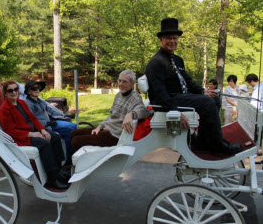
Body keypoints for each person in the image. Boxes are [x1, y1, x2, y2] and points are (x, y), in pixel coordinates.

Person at [145, 18, 242, 155]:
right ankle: (217, 146)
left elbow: (188, 82)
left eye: (175, 38)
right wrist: (174, 110)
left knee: (213, 99)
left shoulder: (178, 60)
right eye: (168, 38)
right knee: (207, 103)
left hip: (180, 97)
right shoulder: (156, 62)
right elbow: (159, 92)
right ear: (161, 39)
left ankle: (204, 140)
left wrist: (204, 91)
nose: (172, 41)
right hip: (167, 100)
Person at [0, 80, 70, 189]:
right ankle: (52, 178)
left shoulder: (21, 103)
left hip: (33, 131)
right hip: (21, 138)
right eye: (10, 90)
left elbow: (33, 118)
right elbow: (11, 131)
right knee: (44, 143)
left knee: (54, 137)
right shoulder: (4, 110)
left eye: (16, 89)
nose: (14, 92)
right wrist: (33, 134)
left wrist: (43, 130)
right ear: (5, 93)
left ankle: (59, 169)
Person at [70, 69, 150, 152]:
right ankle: (68, 163)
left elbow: (143, 111)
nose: (120, 84)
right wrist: (99, 127)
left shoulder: (135, 97)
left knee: (76, 141)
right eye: (119, 81)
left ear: (132, 84)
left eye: (124, 82)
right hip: (105, 129)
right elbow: (111, 116)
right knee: (73, 133)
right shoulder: (119, 95)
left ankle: (77, 164)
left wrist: (130, 114)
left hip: (113, 136)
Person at [24, 80, 77, 165]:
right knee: (71, 128)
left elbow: (51, 111)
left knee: (72, 128)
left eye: (38, 88)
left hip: (51, 122)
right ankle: (69, 160)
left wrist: (64, 116)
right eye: (34, 88)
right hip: (45, 127)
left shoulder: (40, 101)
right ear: (28, 91)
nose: (37, 90)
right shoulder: (28, 104)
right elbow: (31, 120)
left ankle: (71, 156)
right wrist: (46, 125)